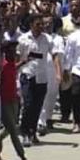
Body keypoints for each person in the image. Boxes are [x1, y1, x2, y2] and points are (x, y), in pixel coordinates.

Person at [17, 14, 54, 146]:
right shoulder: (23, 39)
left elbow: (54, 53)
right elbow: (17, 57)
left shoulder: (47, 39)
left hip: (42, 76)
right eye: (38, 24)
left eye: (42, 24)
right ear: (31, 24)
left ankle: (32, 132)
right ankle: (25, 132)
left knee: (37, 106)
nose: (41, 27)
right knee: (28, 104)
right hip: (27, 75)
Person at [0, 41, 30, 160]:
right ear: (6, 52)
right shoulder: (2, 66)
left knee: (12, 126)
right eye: (11, 50)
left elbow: (14, 68)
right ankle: (23, 158)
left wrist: (23, 62)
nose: (14, 52)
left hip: (14, 100)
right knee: (14, 131)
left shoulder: (10, 64)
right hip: (4, 101)